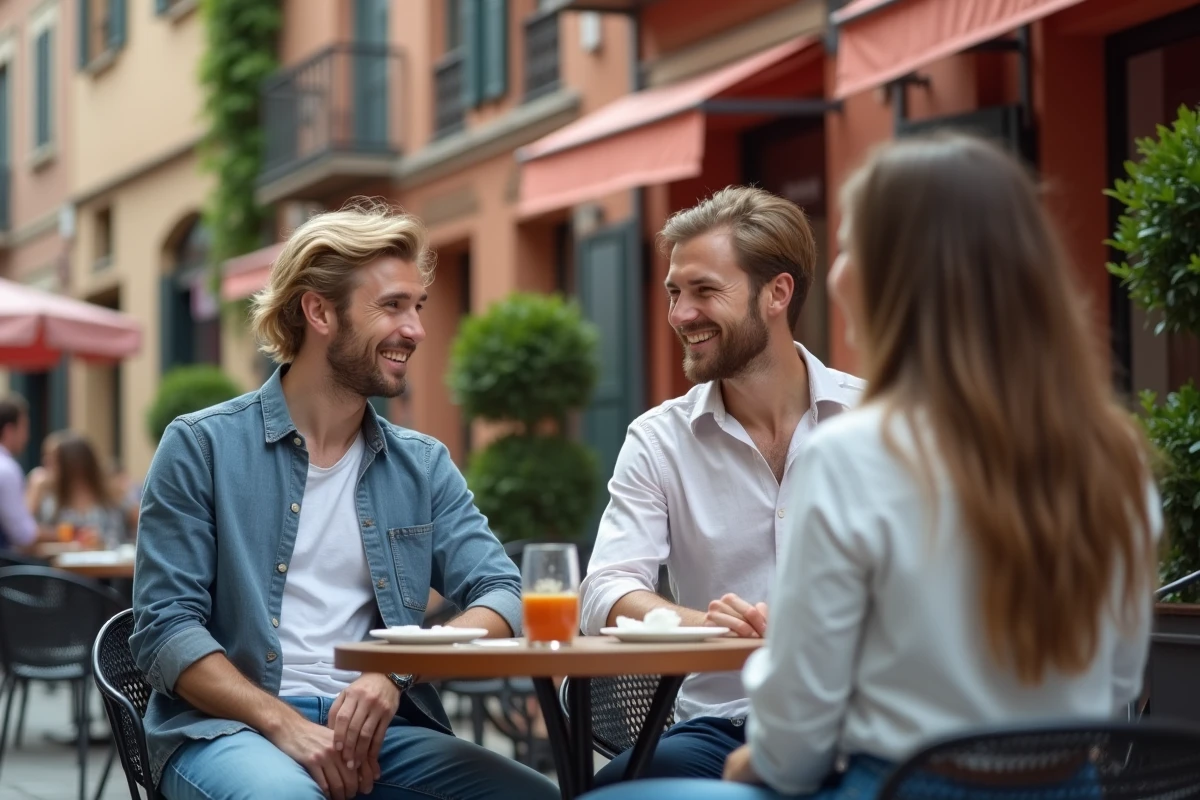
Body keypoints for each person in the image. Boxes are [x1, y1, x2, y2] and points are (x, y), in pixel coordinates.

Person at [583, 134, 1161, 800]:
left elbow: (797, 739)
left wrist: (760, 763)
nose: (837, 273)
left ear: (901, 278)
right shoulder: (1112, 452)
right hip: (1064, 784)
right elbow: (1119, 685)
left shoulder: (855, 448)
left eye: (854, 246)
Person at [130, 199, 558, 800]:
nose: (415, 330)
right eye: (391, 306)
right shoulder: (201, 446)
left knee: (534, 795)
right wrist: (287, 726)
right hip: (230, 730)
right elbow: (166, 630)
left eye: (417, 307)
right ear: (318, 311)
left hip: (382, 733)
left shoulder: (423, 464)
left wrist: (395, 672)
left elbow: (504, 594)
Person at [580, 185, 865, 785]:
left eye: (705, 291)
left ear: (777, 294)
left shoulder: (876, 421)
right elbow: (604, 592)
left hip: (862, 717)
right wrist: (705, 626)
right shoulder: (658, 440)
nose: (681, 315)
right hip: (718, 727)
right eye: (674, 293)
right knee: (615, 790)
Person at [34, 431, 129, 548]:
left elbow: (123, 536)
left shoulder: (112, 497)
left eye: (52, 460)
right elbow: (25, 534)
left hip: (105, 563)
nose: (45, 464)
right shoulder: (49, 500)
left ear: (73, 464)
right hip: (59, 565)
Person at [0, 393, 38, 551]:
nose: (27, 437)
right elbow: (24, 536)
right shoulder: (6, 469)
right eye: (24, 427)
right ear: (9, 430)